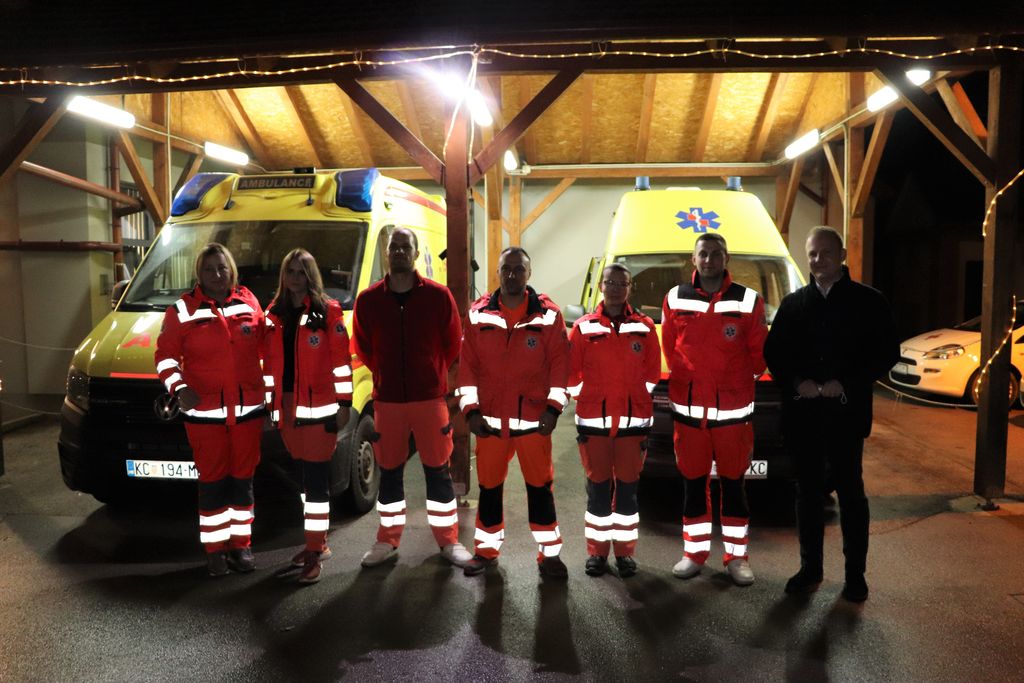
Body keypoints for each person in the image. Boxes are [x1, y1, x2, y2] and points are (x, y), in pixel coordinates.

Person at [764, 226, 898, 602]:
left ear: (841, 255)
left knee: (851, 494)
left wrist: (848, 383)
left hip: (846, 415)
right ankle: (810, 570)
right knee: (807, 494)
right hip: (804, 416)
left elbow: (887, 351)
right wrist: (797, 382)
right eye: (812, 253)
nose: (818, 259)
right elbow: (774, 354)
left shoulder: (869, 302)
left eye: (825, 252)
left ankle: (855, 576)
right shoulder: (793, 305)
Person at [351, 227, 472, 569]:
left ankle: (448, 542)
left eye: (406, 247)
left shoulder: (437, 296)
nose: (400, 252)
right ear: (386, 253)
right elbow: (363, 347)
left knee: (438, 472)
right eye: (395, 247)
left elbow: (453, 344)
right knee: (390, 473)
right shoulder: (369, 300)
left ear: (416, 254)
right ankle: (387, 541)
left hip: (429, 399)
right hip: (388, 401)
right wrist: (385, 373)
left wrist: (431, 373)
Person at [456, 246, 571, 578]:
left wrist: (553, 409)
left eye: (519, 269)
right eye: (506, 268)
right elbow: (467, 368)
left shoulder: (548, 315)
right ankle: (485, 552)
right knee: (489, 488)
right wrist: (471, 411)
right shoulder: (478, 314)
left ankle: (549, 554)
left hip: (535, 423)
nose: (511, 275)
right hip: (491, 423)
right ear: (497, 272)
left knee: (540, 488)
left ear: (529, 274)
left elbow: (560, 367)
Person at [662, 232, 767, 586]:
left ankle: (737, 558)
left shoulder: (748, 300)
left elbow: (759, 357)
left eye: (716, 253)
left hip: (733, 416)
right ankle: (694, 553)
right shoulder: (675, 297)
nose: (709, 260)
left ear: (727, 258)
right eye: (703, 254)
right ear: (693, 259)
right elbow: (670, 349)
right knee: (693, 484)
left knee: (735, 486)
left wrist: (733, 385)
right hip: (689, 415)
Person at [155, 243, 266, 577]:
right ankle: (215, 551)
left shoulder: (248, 302)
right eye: (209, 269)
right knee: (213, 484)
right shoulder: (181, 310)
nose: (217, 275)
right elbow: (164, 358)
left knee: (243, 482)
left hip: (247, 413)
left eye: (222, 268)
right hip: (205, 417)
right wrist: (179, 388)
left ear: (231, 269)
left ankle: (241, 546)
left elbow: (267, 346)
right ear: (199, 274)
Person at [263, 249, 352, 585]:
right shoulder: (273, 314)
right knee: (303, 482)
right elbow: (268, 367)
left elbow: (341, 364)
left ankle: (314, 552)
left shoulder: (327, 312)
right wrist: (271, 406)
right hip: (287, 409)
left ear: (311, 276)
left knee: (315, 483)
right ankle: (318, 542)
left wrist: (344, 404)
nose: (295, 278)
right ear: (283, 276)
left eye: (302, 272)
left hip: (318, 411)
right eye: (290, 271)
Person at [567, 263, 661, 577]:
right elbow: (571, 376)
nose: (616, 288)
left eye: (622, 283)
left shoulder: (645, 327)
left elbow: (652, 375)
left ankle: (624, 554)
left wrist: (635, 400)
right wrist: (588, 398)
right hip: (593, 425)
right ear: (601, 286)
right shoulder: (583, 327)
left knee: (627, 495)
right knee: (597, 491)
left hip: (633, 426)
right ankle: (597, 553)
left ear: (630, 288)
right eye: (610, 282)